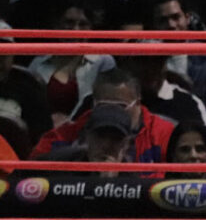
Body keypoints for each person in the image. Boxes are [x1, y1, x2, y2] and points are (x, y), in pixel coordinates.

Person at [34, 67, 175, 163]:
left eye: (120, 106)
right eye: (104, 105)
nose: (112, 113)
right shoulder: (66, 136)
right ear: (93, 103)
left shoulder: (165, 136)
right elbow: (32, 177)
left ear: (138, 103)